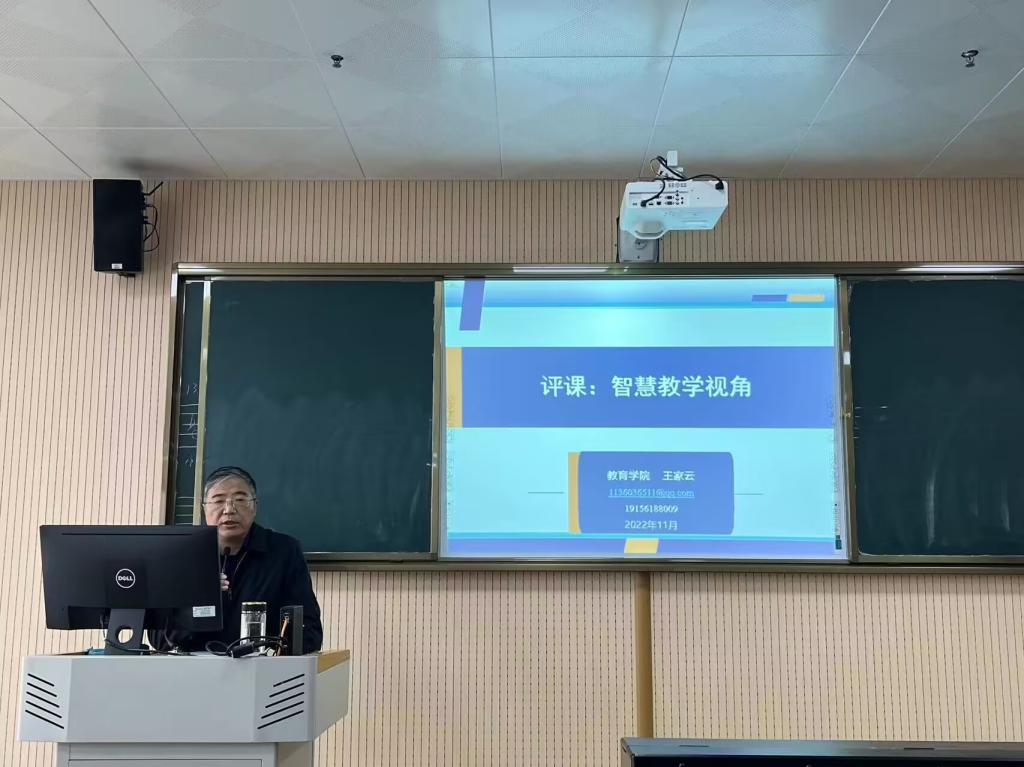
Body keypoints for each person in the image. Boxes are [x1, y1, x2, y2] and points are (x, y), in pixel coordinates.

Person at [155, 466, 323, 654]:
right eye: (218, 501)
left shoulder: (284, 551)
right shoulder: (180, 555)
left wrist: (271, 652)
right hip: (194, 667)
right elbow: (159, 640)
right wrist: (197, 598)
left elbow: (309, 632)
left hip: (261, 666)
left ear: (254, 507)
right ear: (204, 508)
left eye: (240, 500)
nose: (229, 510)